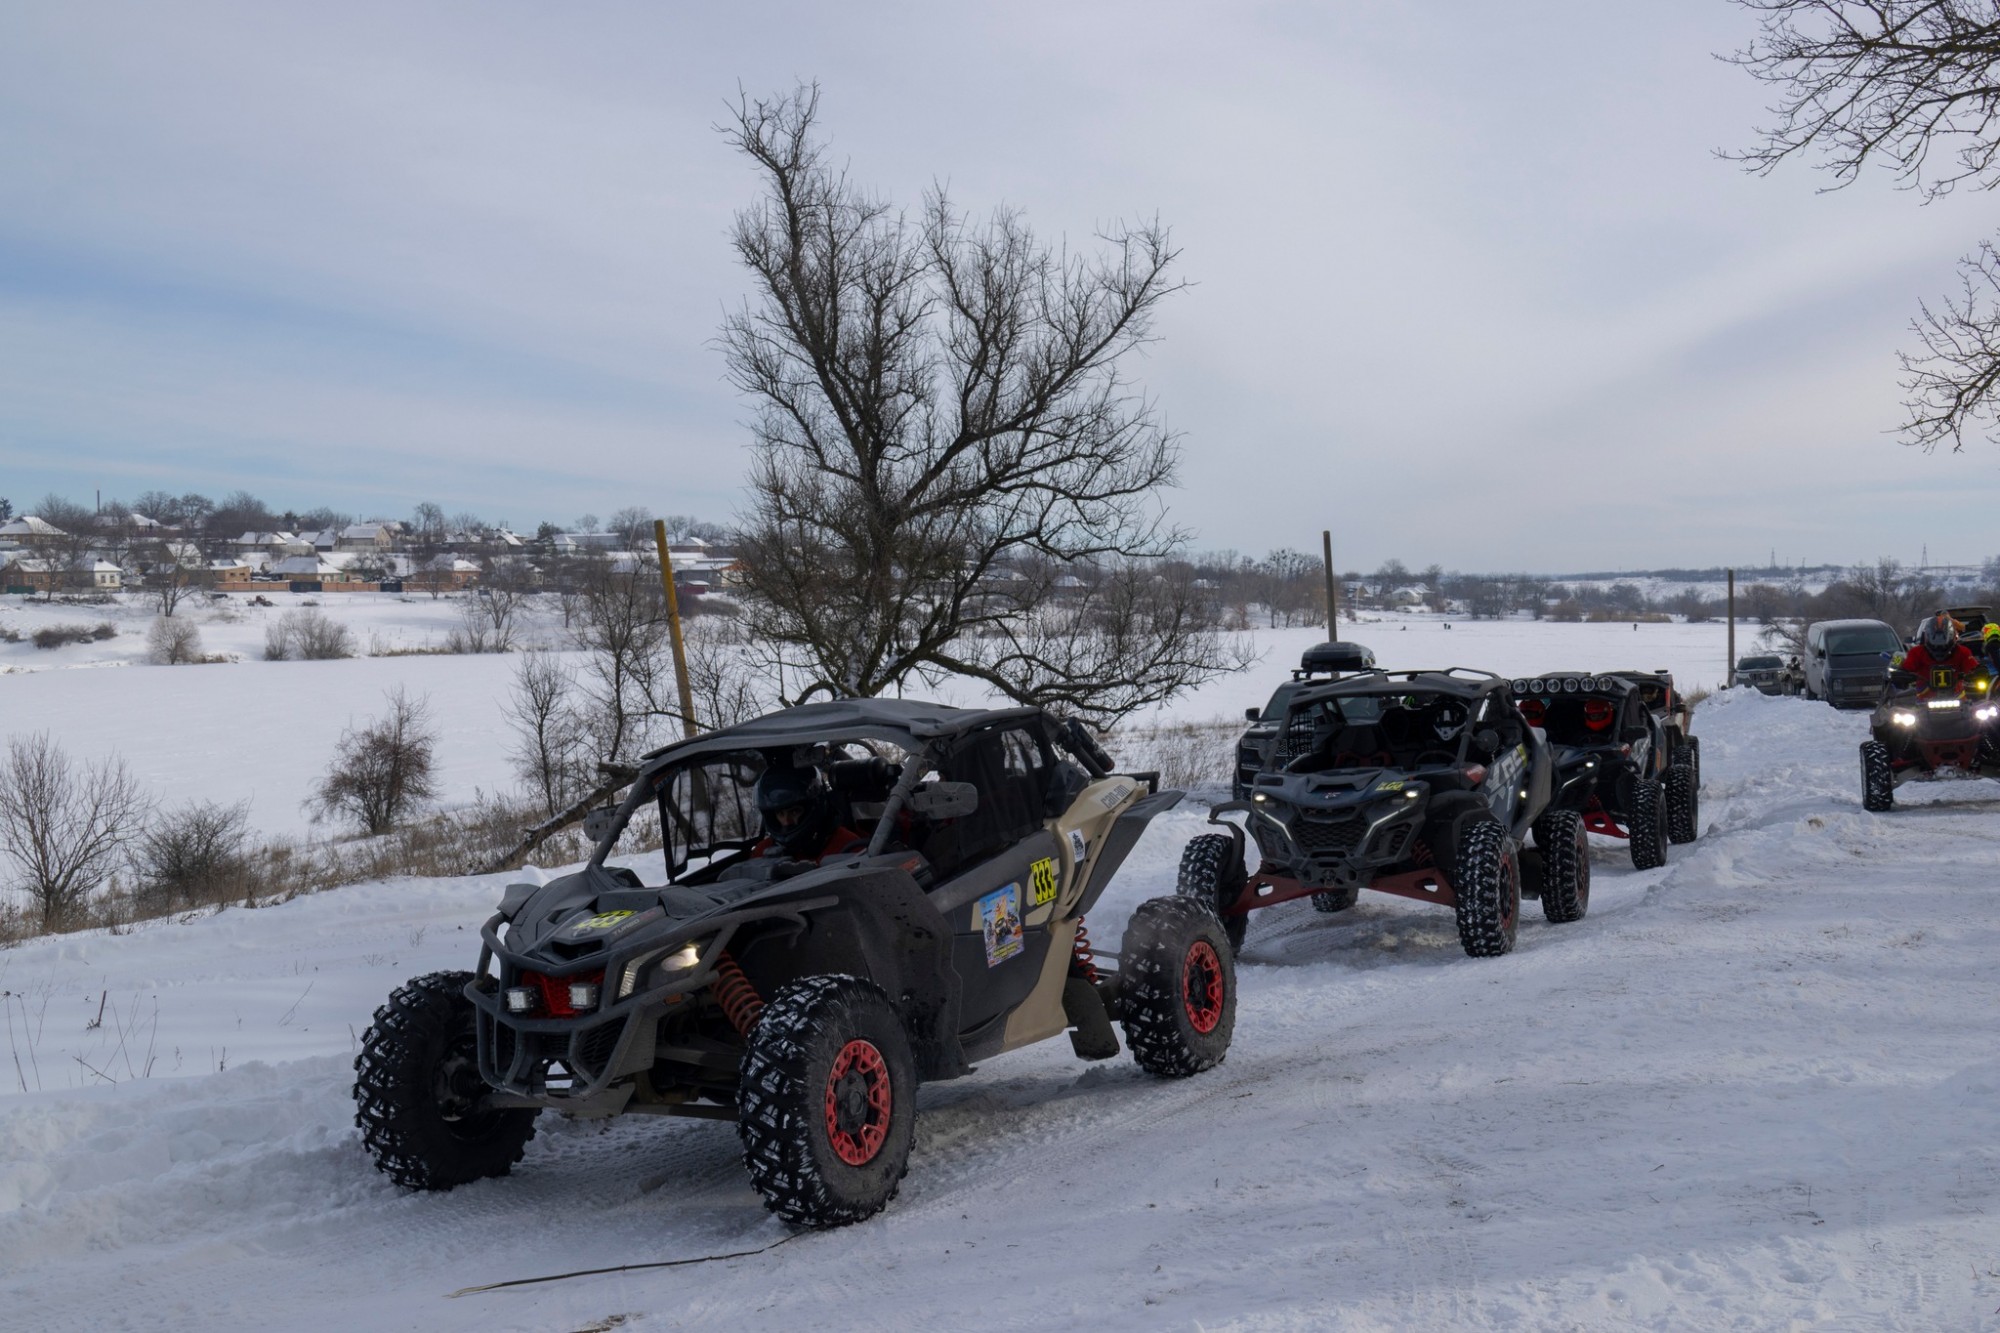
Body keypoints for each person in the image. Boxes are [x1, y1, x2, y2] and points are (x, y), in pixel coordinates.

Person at [750, 764, 865, 863]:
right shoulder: (764, 852)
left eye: (794, 812)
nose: (786, 822)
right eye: (780, 814)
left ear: (814, 808)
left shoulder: (846, 845)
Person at [1897, 612, 1979, 692]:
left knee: (1984, 702)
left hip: (1958, 697)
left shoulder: (1962, 651)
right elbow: (1905, 669)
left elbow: (1973, 669)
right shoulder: (1916, 652)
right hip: (1922, 698)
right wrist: (1901, 675)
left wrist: (1979, 673)